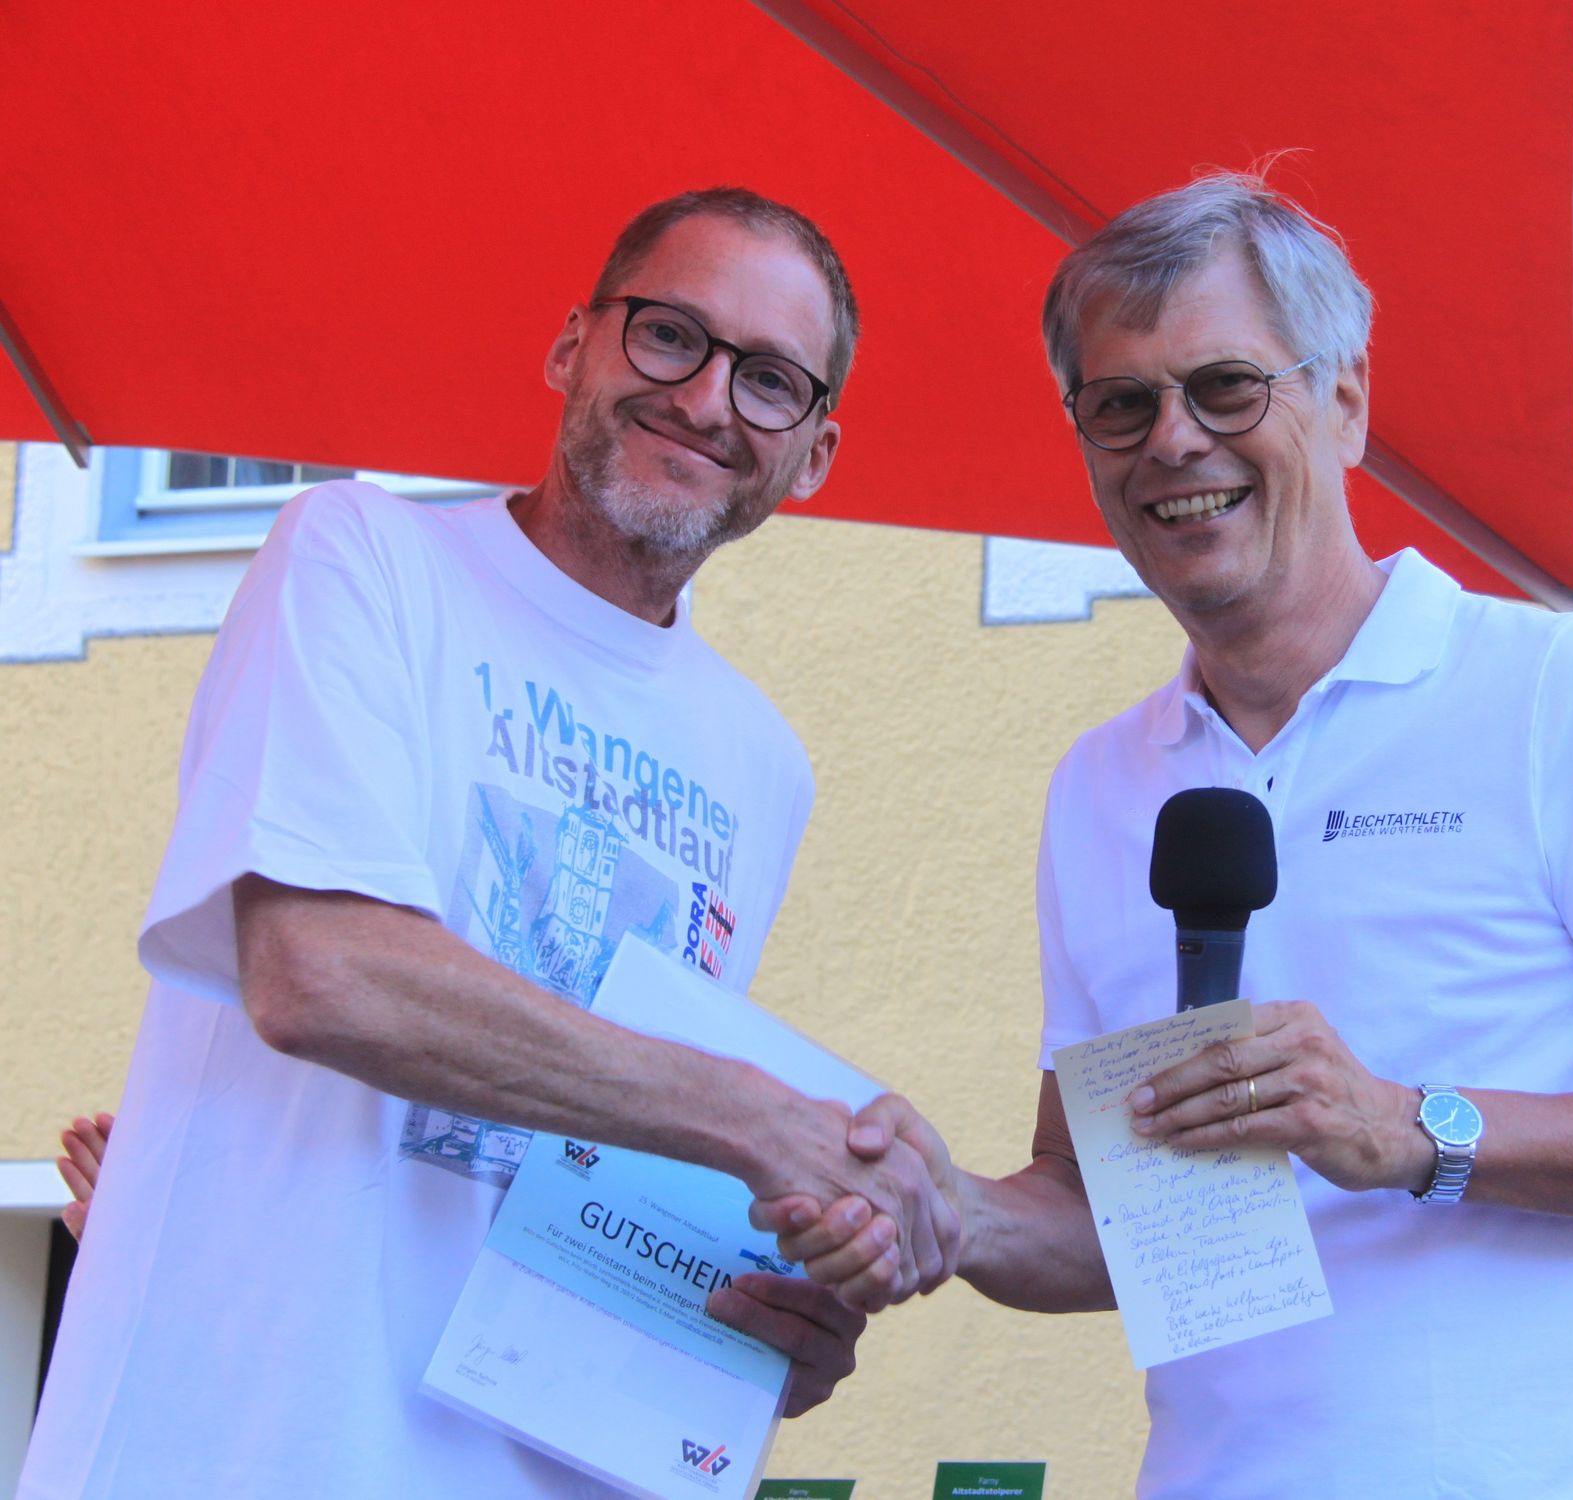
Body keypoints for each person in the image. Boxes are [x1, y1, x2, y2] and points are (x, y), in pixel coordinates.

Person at [767, 173, 1573, 1497]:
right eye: (1120, 405)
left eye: (1226, 388)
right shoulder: (1100, 785)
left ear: (1345, 402)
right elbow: (1117, 1219)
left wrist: (1410, 1129)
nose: (1173, 441)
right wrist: (955, 1211)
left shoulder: (1554, 690)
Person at [19, 187, 952, 1499]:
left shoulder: (760, 762)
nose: (705, 399)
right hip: (247, 1448)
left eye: (769, 380)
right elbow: (320, 972)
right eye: (669, 334)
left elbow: (606, 1160)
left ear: (813, 454)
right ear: (573, 345)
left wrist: (742, 1334)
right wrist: (759, 1123)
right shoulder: (362, 557)